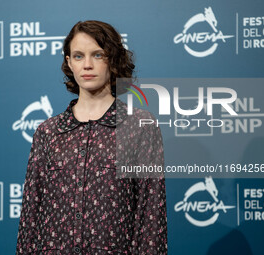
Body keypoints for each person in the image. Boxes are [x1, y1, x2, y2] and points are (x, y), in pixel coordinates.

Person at [16, 20, 167, 255]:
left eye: (98, 55)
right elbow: (30, 218)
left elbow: (151, 217)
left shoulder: (139, 127)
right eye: (78, 56)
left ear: (114, 59)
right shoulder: (48, 132)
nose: (87, 65)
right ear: (68, 62)